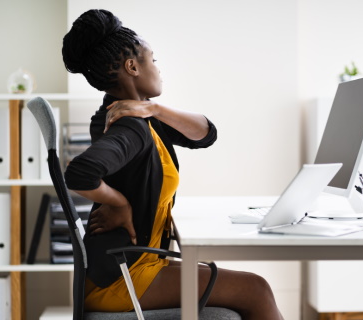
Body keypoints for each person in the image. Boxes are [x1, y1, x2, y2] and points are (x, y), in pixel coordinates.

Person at [62, 9, 284, 320]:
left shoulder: (139, 117)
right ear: (132, 66)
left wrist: (154, 108)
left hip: (135, 262)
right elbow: (79, 172)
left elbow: (206, 134)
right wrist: (120, 203)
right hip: (123, 276)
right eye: (153, 60)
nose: (158, 69)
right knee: (256, 290)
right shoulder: (128, 127)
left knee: (249, 290)